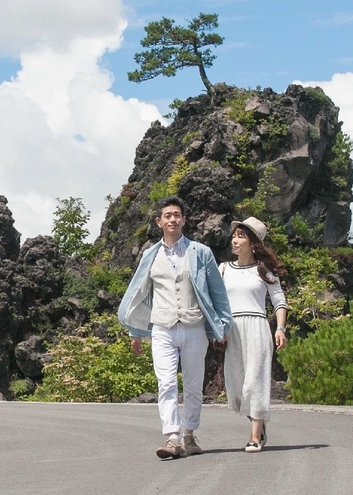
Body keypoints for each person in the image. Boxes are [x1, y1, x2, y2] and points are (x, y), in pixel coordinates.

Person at [117, 196, 233, 459]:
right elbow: (139, 292)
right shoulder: (150, 255)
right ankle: (172, 437)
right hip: (162, 327)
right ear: (159, 222)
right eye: (167, 215)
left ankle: (189, 435)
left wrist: (223, 325)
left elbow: (217, 291)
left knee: (193, 384)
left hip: (193, 326)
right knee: (166, 382)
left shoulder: (200, 252)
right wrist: (135, 331)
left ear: (184, 220)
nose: (172, 219)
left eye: (177, 215)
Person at [220, 216, 287, 453]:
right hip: (232, 330)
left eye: (241, 237)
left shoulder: (264, 270)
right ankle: (259, 423)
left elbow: (279, 300)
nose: (235, 241)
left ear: (252, 242)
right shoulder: (224, 269)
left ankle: (255, 436)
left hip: (257, 327)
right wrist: (218, 329)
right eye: (234, 236)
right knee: (238, 386)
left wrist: (280, 328)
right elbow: (217, 302)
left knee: (255, 382)